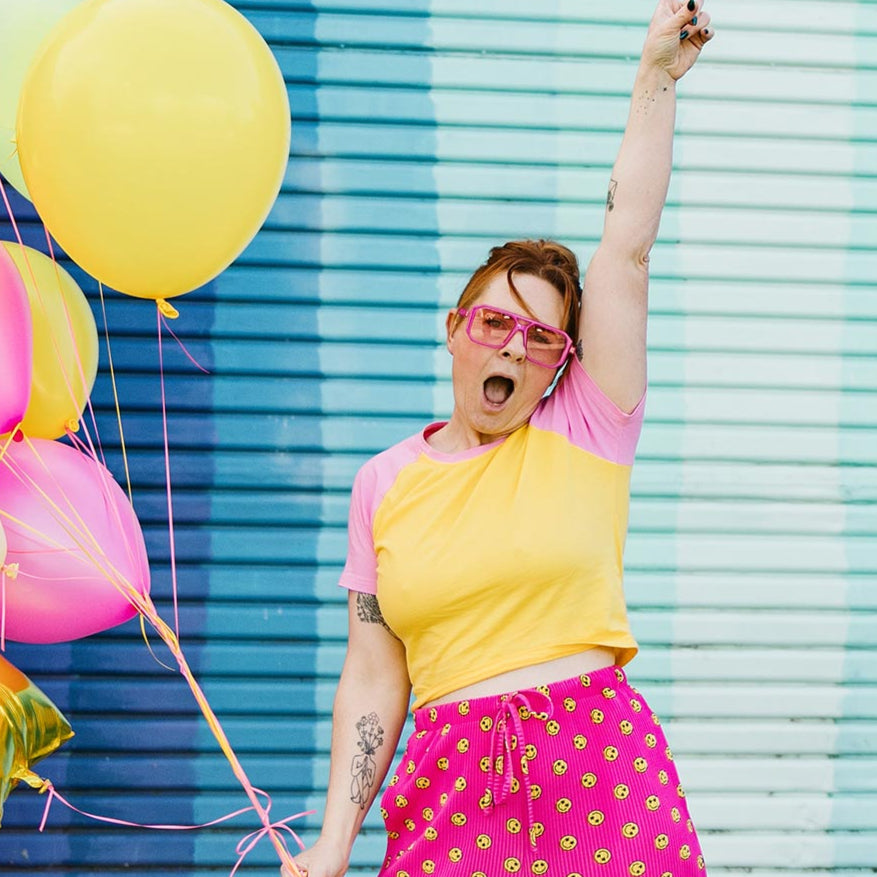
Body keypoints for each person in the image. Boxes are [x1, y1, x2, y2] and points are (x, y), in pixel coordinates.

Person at [285, 2, 714, 875]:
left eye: (541, 339)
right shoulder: (383, 483)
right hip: (447, 788)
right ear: (453, 328)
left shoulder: (586, 426)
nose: (514, 346)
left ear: (561, 363)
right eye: (494, 322)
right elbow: (374, 677)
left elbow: (625, 251)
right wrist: (334, 842)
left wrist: (654, 81)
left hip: (598, 770)